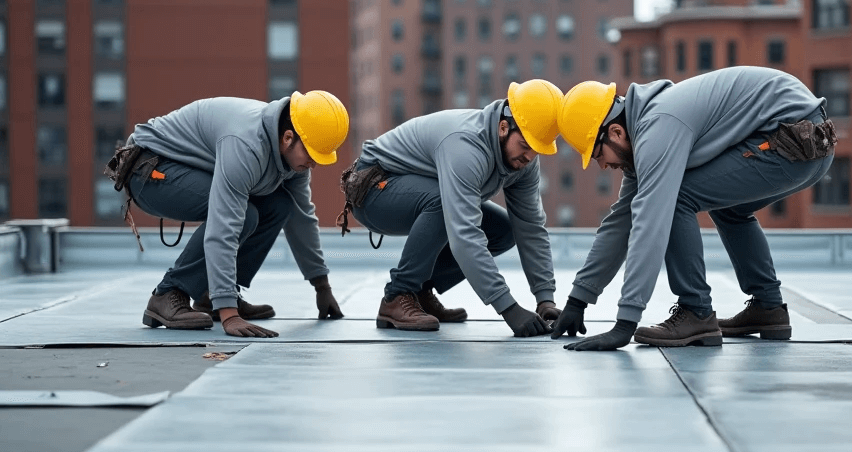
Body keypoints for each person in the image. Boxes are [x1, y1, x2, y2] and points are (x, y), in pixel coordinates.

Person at [551, 66, 837, 351]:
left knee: (677, 197)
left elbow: (650, 223)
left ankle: (695, 311)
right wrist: (578, 300)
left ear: (615, 131)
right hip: (806, 141)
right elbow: (621, 220)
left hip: (792, 138)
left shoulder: (659, 127)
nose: (603, 166)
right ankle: (768, 308)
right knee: (730, 209)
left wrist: (625, 323)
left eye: (598, 154)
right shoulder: (646, 132)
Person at [112, 90, 349, 338]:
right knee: (243, 215)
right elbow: (224, 224)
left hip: (187, 169)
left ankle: (208, 294)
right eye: (311, 155)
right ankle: (169, 293)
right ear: (288, 137)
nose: (313, 164)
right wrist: (230, 315)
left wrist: (321, 285)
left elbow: (301, 217)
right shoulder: (247, 143)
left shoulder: (292, 157)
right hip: (150, 171)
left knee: (281, 205)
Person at [342, 79, 564, 335]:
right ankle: (398, 295)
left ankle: (419, 292)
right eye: (525, 146)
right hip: (374, 189)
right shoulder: (465, 147)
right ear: (504, 127)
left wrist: (545, 299)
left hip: (417, 190)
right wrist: (509, 308)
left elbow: (531, 227)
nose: (529, 158)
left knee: (504, 230)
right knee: (442, 203)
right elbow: (464, 235)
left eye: (537, 150)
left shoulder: (523, 162)